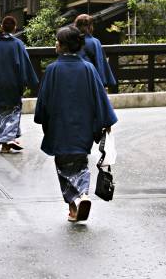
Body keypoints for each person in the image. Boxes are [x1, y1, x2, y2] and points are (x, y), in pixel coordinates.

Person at [34, 26, 117, 222]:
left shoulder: (53, 69)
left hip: (60, 126)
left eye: (57, 41)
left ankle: (74, 204)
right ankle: (83, 196)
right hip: (84, 127)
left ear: (62, 46)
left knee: (63, 166)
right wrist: (106, 121)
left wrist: (43, 118)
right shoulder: (88, 68)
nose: (55, 44)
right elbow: (100, 97)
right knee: (80, 163)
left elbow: (43, 101)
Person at [0, 16, 39, 154]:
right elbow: (24, 64)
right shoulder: (18, 44)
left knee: (1, 111)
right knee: (14, 110)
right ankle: (7, 140)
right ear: (14, 28)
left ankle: (8, 139)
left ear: (1, 27)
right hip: (14, 83)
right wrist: (28, 81)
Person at [74, 14, 116, 88]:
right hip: (91, 77)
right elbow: (99, 63)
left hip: (74, 76)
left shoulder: (71, 41)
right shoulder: (94, 42)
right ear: (90, 26)